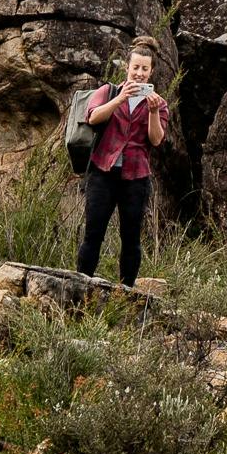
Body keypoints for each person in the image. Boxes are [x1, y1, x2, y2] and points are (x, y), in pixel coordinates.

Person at [77, 35, 170, 286]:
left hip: (136, 178)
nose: (139, 73)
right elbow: (93, 117)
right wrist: (120, 98)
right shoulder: (108, 91)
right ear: (127, 68)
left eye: (144, 69)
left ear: (151, 72)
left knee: (131, 238)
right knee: (93, 233)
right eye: (135, 67)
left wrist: (152, 113)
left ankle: (126, 291)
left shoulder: (158, 104)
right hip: (102, 173)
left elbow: (156, 139)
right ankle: (82, 284)